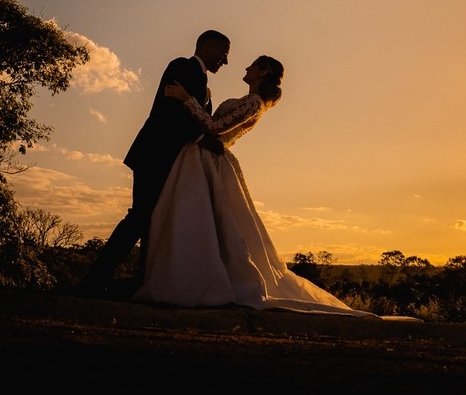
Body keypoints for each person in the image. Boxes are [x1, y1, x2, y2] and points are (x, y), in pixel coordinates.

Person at [132, 55, 379, 317]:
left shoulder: (254, 103)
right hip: (199, 155)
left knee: (208, 221)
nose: (246, 67)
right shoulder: (247, 99)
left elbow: (215, 127)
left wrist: (187, 99)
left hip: (211, 161)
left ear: (262, 72)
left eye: (252, 65)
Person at [79, 30, 231, 296]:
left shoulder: (205, 86)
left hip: (175, 161)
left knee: (153, 221)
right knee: (139, 217)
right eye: (224, 54)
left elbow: (196, 116)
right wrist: (200, 138)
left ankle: (144, 284)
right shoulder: (181, 66)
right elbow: (170, 113)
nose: (225, 61)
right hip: (155, 153)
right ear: (208, 47)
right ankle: (95, 280)